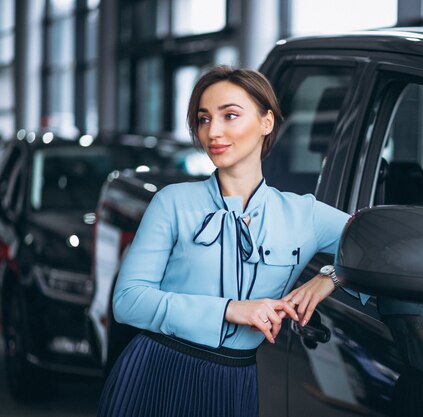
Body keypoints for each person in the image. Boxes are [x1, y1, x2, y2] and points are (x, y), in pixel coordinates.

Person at [97, 66, 356, 417]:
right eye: (204, 120)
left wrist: (332, 277)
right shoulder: (172, 202)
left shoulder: (304, 215)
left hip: (234, 384)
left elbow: (387, 246)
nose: (213, 132)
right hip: (156, 373)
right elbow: (128, 301)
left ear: (267, 122)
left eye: (230, 116)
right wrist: (230, 310)